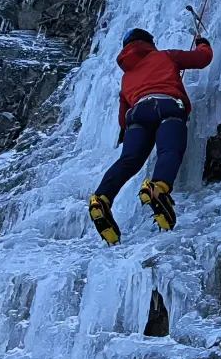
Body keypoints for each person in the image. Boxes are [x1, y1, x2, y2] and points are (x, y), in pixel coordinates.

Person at [88, 27, 213, 244]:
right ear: (149, 43)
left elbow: (122, 119)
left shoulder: (127, 77)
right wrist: (203, 43)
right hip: (166, 106)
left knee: (129, 160)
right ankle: (158, 188)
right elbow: (202, 59)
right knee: (169, 150)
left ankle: (102, 198)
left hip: (136, 114)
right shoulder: (164, 56)